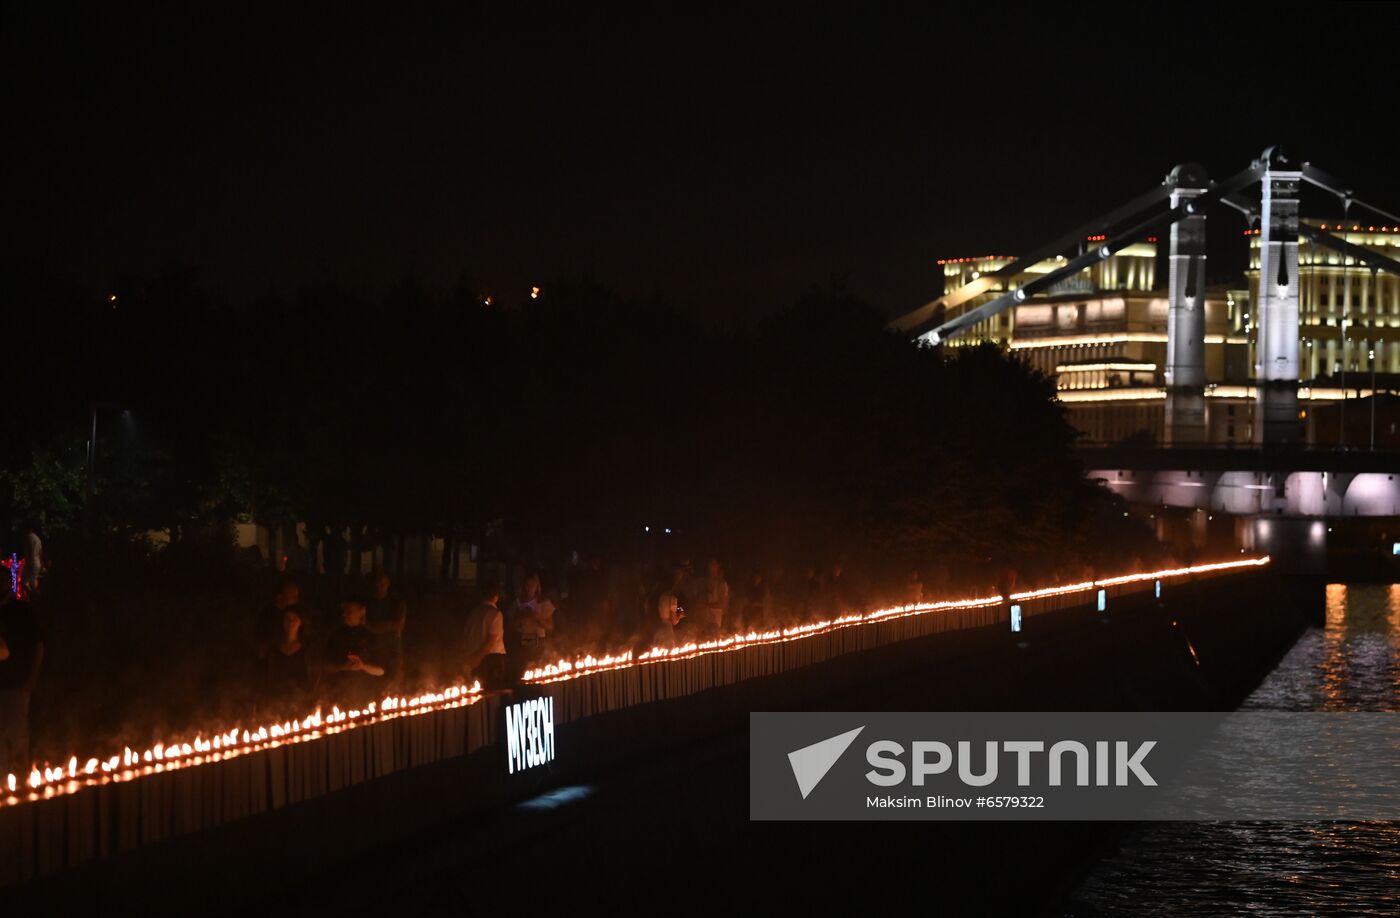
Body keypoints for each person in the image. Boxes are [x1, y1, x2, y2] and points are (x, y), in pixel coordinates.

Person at [0, 584, 43, 775]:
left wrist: (31, 678)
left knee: (16, 734)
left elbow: (38, 645)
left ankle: (20, 782)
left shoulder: (22, 611)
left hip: (17, 686)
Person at [321, 601, 385, 703]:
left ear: (361, 612)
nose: (344, 614)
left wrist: (362, 666)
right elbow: (325, 666)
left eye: (349, 611)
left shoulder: (370, 637)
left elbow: (381, 670)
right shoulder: (335, 636)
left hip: (365, 696)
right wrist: (342, 667)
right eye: (344, 611)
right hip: (338, 695)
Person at [362, 569, 407, 685]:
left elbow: (397, 624)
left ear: (388, 583)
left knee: (392, 681)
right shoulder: (367, 602)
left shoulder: (397, 602)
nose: (379, 587)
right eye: (376, 584)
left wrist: (372, 627)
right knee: (373, 682)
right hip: (372, 647)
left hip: (392, 647)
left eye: (382, 584)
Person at [464, 580, 507, 689]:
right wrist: (478, 659)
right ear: (496, 596)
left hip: (473, 657)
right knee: (493, 694)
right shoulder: (495, 614)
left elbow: (467, 637)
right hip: (492, 661)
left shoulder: (472, 613)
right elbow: (491, 640)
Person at [266, 608, 314, 704]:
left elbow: (313, 675)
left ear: (301, 622)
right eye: (287, 619)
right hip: (276, 700)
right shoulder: (274, 649)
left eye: (294, 619)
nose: (290, 622)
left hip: (302, 700)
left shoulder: (308, 649)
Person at [700, 558, 729, 635]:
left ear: (717, 566)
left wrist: (706, 605)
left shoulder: (721, 583)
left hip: (715, 621)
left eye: (713, 564)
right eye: (710, 564)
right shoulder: (705, 582)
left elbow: (722, 604)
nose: (711, 567)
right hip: (704, 621)